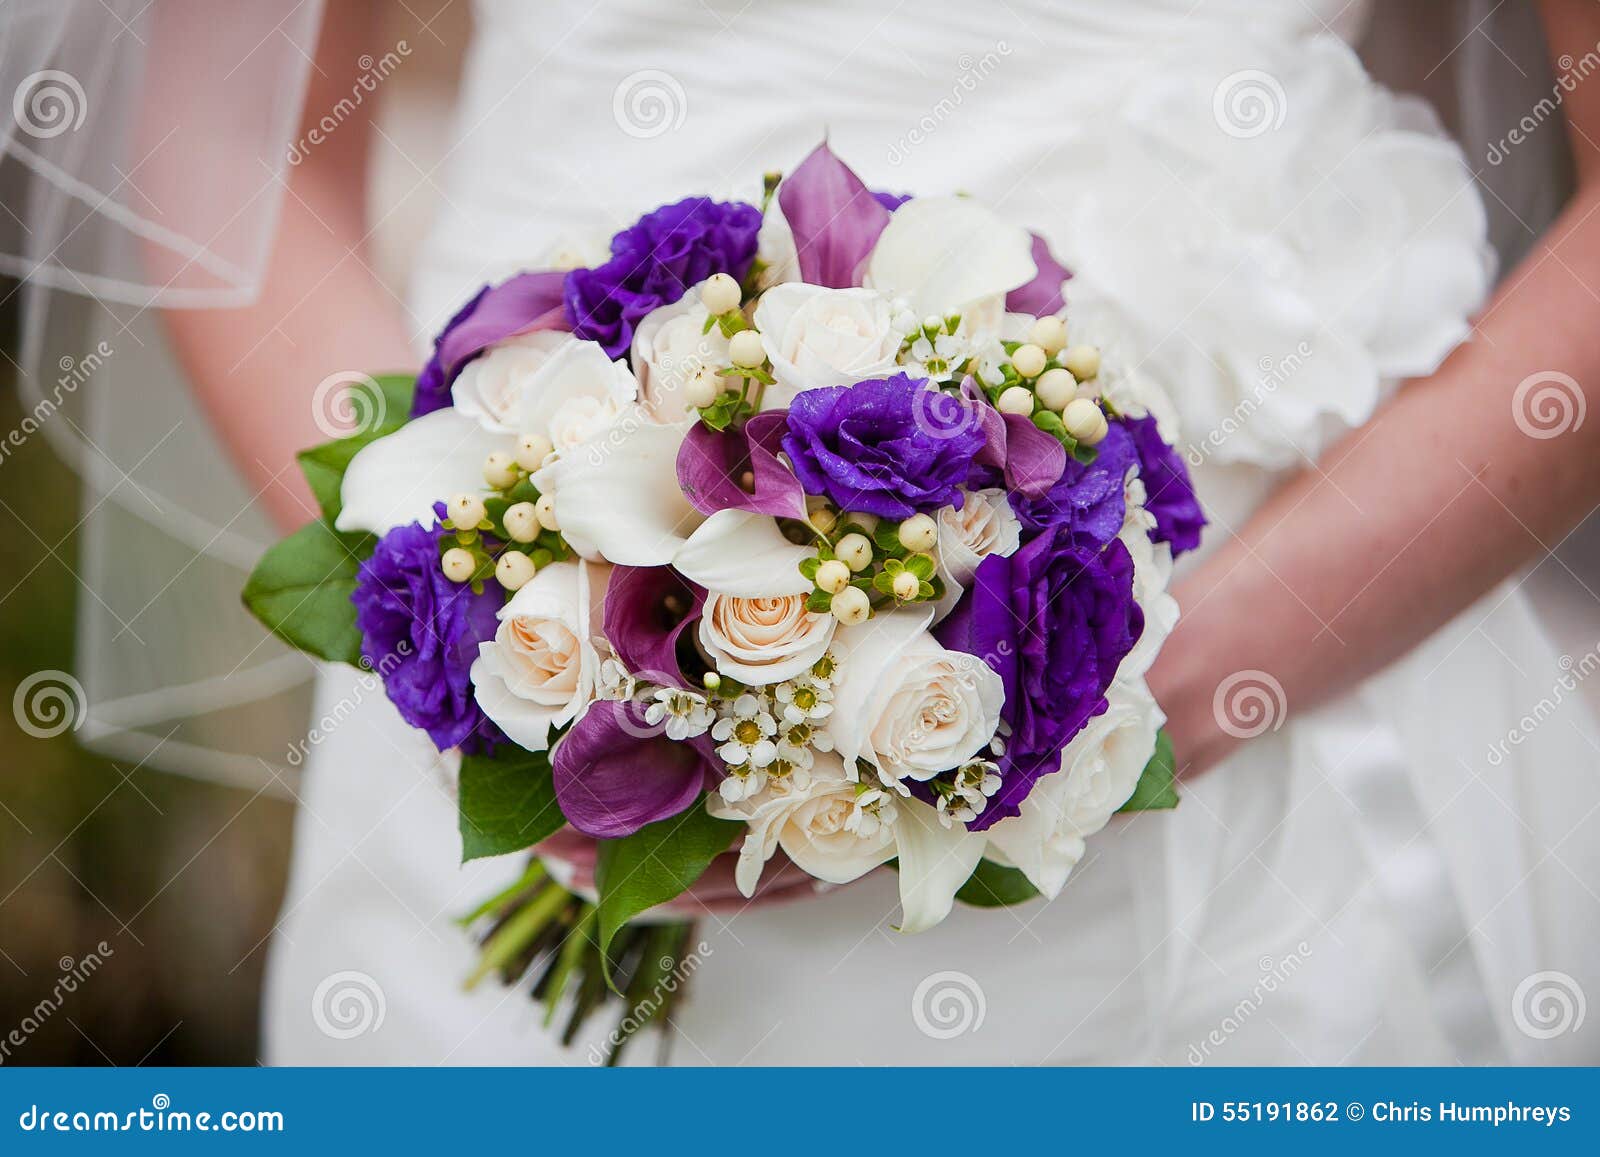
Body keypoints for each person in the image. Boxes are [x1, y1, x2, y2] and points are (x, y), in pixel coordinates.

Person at [150, 1, 1600, 1063]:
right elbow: (230, 131)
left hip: (1258, 739)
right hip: (523, 675)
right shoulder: (509, 626)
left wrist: (1114, 707)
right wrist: (461, 602)